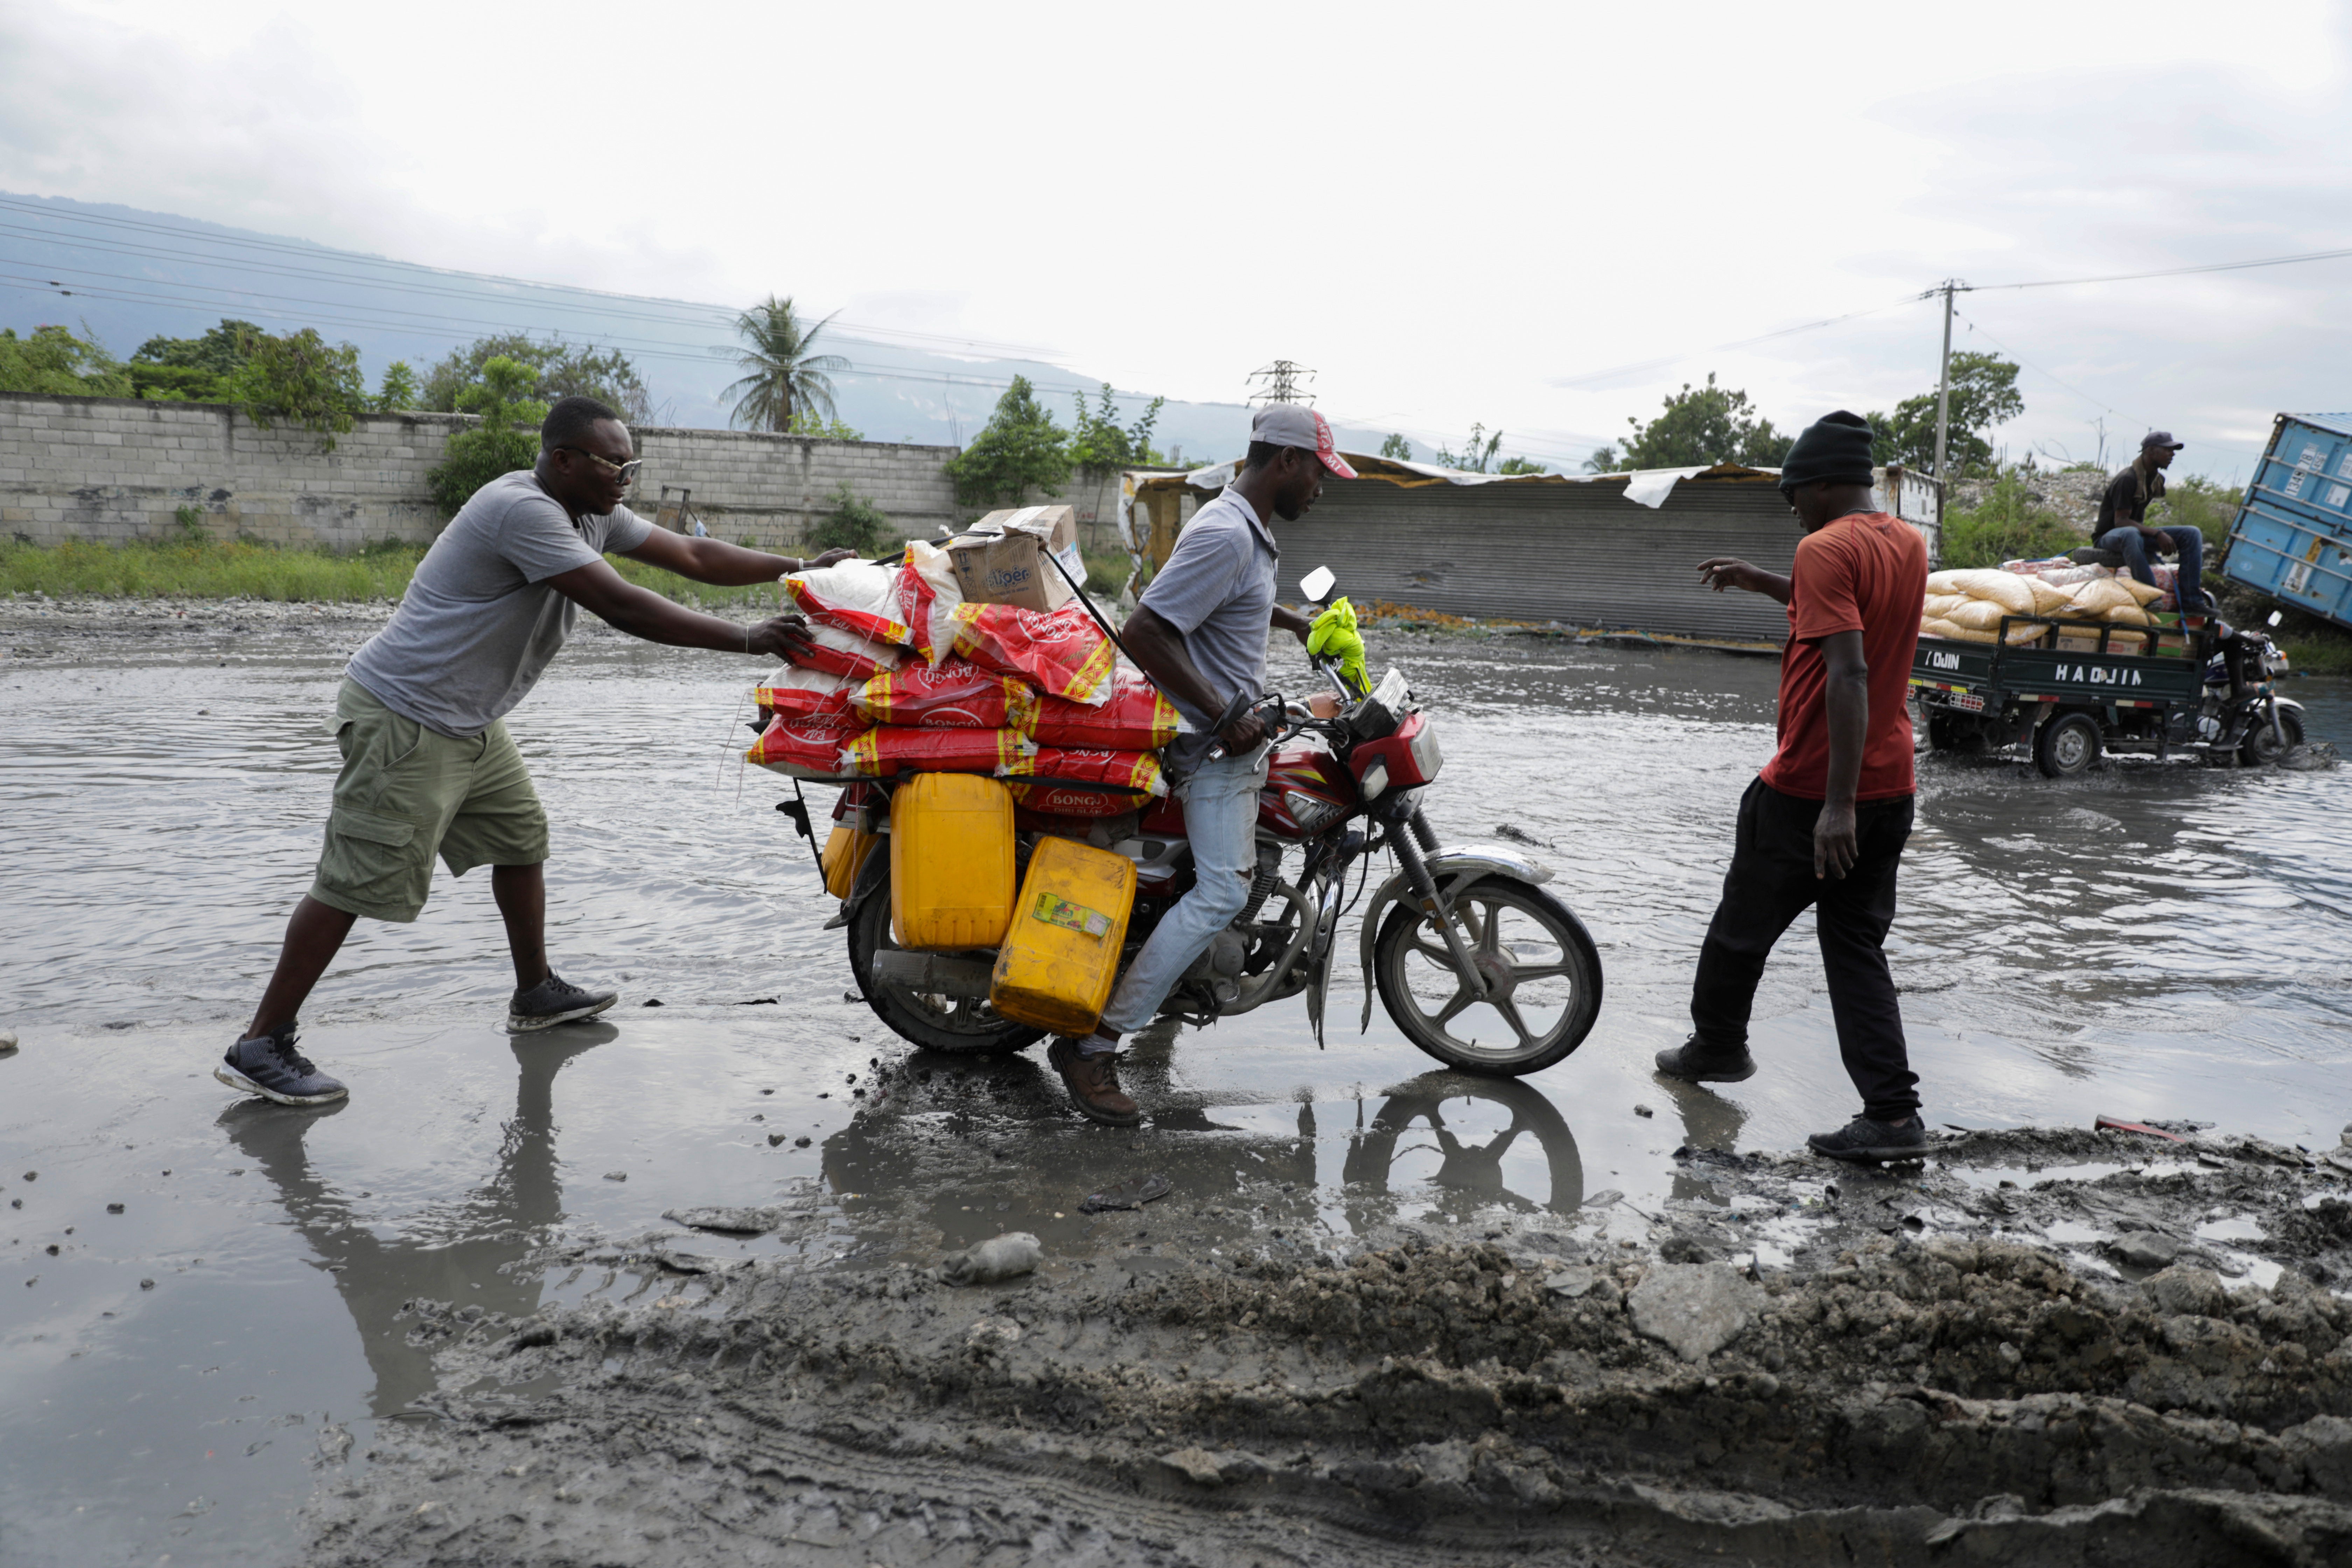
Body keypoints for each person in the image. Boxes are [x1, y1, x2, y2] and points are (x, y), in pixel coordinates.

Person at [216, 395, 855, 1107]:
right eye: (618, 464)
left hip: (469, 719)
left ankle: (535, 991)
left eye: (631, 464)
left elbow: (693, 554)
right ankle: (262, 1041)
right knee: (354, 879)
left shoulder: (593, 509)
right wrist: (746, 638)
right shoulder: (523, 511)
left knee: (522, 839)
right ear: (564, 460)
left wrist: (801, 568)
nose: (627, 478)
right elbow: (624, 604)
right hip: (407, 715)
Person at [1043, 404, 1354, 1125]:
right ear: (1285, 461)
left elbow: (1227, 603)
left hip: (1226, 737)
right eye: (1318, 473)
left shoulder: (1249, 532)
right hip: (1210, 748)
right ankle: (1093, 1047)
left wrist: (1294, 623)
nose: (1321, 487)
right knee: (1221, 892)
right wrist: (1223, 712)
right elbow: (1145, 628)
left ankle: (1166, 993)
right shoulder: (1225, 531)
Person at [1653, 410, 1933, 1162]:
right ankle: (1893, 1114)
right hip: (1892, 782)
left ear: (1822, 485)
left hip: (1814, 788)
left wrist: (1834, 806)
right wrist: (1759, 581)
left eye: (1792, 496)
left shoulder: (1824, 544)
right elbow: (1850, 616)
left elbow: (1849, 670)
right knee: (1855, 947)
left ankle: (1717, 1046)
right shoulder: (1907, 542)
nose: (1793, 511)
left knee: (1740, 928)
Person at [2096, 432, 2206, 611]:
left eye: (2173, 451)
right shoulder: (2127, 479)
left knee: (2191, 534)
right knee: (2131, 533)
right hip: (2109, 537)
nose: (2172, 455)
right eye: (2167, 450)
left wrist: (2156, 534)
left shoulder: (2155, 480)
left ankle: (2192, 601)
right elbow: (2121, 522)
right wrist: (2158, 533)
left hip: (2134, 536)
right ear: (2151, 451)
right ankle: (2151, 594)